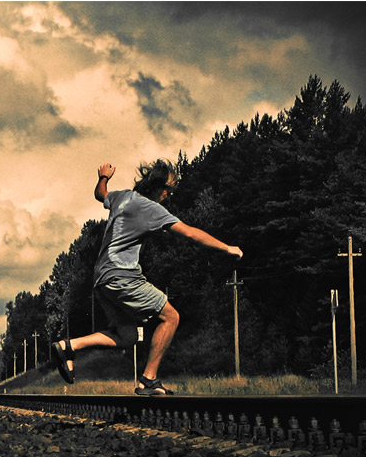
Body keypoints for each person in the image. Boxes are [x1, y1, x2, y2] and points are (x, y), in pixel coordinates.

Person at [52, 159, 243, 395]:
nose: (169, 195)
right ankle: (148, 379)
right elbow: (190, 233)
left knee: (127, 336)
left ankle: (69, 346)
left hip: (102, 279)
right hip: (122, 275)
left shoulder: (121, 197)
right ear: (156, 186)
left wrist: (103, 177)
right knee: (171, 317)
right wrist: (227, 248)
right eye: (168, 189)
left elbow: (100, 194)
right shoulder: (151, 209)